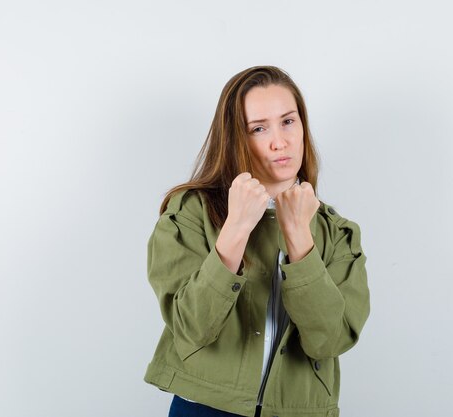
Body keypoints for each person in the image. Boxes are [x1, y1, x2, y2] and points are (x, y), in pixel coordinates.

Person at [144, 66, 370, 417]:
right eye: (259, 128)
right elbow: (190, 328)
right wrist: (236, 228)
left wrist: (299, 239)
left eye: (288, 121)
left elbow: (329, 340)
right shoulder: (192, 211)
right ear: (236, 138)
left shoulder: (337, 233)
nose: (279, 141)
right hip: (205, 406)